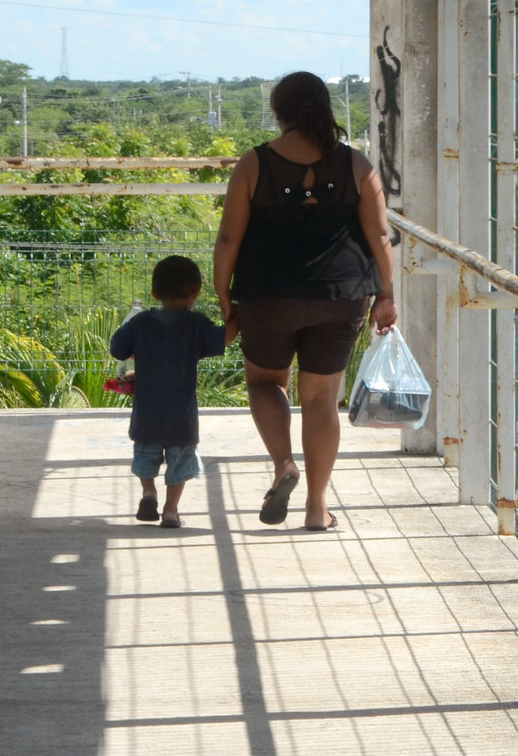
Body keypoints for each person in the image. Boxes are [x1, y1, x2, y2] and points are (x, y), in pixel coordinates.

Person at [213, 72, 396, 530]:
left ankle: (283, 466)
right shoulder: (357, 165)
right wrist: (386, 294)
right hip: (340, 294)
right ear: (324, 107)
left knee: (266, 384)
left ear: (278, 112)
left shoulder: (253, 165)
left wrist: (224, 300)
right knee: (320, 399)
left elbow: (230, 236)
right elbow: (379, 236)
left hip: (267, 294)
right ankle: (318, 508)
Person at [108, 255, 237, 528]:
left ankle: (148, 492)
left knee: (145, 454)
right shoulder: (196, 324)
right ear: (196, 293)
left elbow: (117, 348)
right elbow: (222, 339)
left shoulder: (141, 323)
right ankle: (170, 510)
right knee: (180, 462)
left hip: (147, 414)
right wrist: (238, 314)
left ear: (155, 292)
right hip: (181, 416)